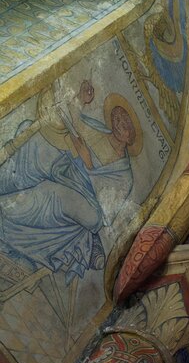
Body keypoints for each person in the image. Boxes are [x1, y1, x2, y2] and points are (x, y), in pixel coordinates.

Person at [0, 80, 139, 281]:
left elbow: (106, 213)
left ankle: (7, 211)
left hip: (87, 203)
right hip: (67, 172)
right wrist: (81, 99)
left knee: (53, 193)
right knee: (36, 142)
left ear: (130, 137)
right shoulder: (99, 130)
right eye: (117, 118)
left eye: (125, 125)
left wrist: (89, 165)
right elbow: (74, 122)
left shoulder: (124, 174)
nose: (119, 124)